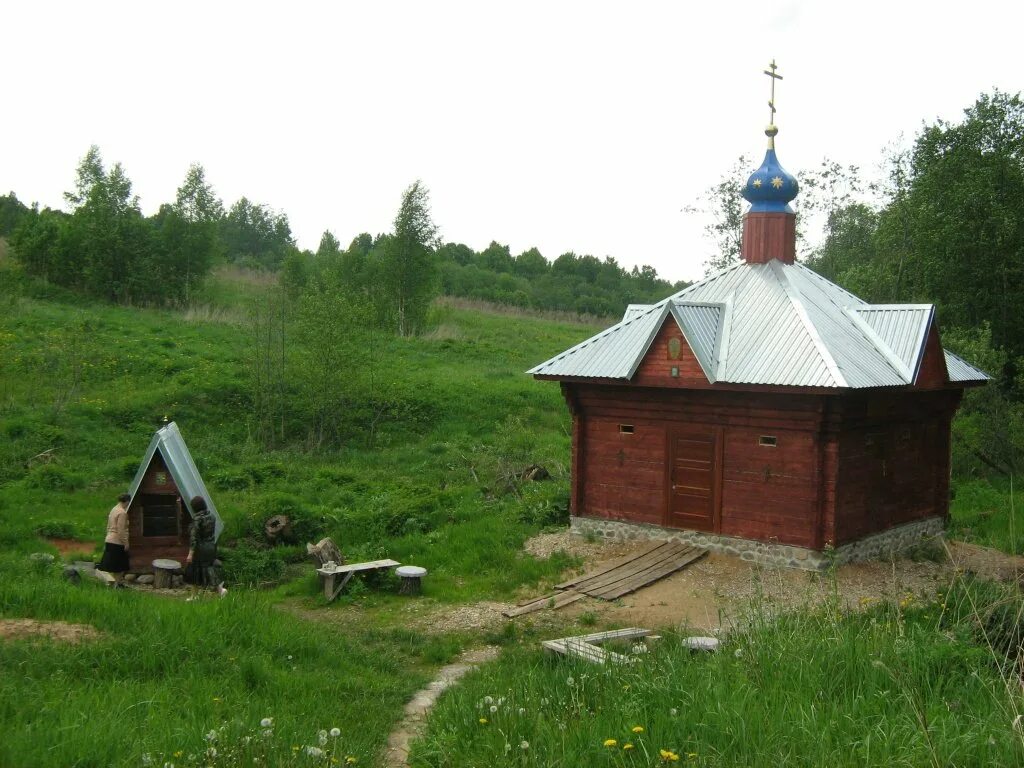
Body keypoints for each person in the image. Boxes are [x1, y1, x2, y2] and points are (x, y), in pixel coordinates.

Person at [184, 495, 226, 596]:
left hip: (200, 549)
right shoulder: (212, 516)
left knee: (195, 570)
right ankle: (221, 590)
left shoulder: (197, 519)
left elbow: (194, 538)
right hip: (211, 547)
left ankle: (194, 596)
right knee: (210, 568)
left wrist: (190, 554)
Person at [98, 493, 132, 587]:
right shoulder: (122, 513)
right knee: (121, 565)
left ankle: (115, 584)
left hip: (109, 538)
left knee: (113, 565)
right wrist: (126, 543)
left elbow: (108, 526)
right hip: (117, 541)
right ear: (127, 501)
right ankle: (117, 584)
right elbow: (121, 530)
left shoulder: (114, 510)